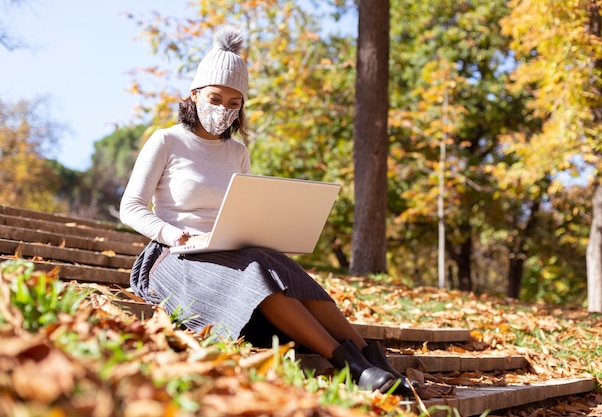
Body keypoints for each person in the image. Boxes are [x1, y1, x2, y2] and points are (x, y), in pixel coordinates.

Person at [120, 25, 423, 397]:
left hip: (229, 250)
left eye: (235, 104)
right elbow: (130, 207)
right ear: (195, 93)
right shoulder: (166, 140)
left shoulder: (237, 153)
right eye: (216, 99)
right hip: (175, 257)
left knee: (284, 269)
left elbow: (243, 206)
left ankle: (376, 362)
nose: (224, 111)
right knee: (258, 271)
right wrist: (173, 234)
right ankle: (353, 367)